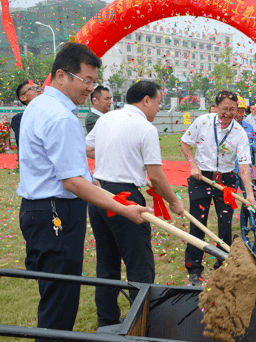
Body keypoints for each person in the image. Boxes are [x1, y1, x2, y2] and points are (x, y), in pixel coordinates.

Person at [17, 42, 151, 340]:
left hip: (38, 210)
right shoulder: (61, 116)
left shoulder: (39, 103)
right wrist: (121, 207)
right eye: (86, 80)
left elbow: (60, 166)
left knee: (53, 293)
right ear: (62, 75)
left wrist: (94, 182)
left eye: (93, 81)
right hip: (56, 213)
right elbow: (71, 182)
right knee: (60, 304)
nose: (91, 88)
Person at [86, 81, 184, 328]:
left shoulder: (107, 118)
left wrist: (115, 154)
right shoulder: (145, 127)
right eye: (159, 102)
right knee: (140, 265)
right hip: (125, 198)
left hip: (98, 195)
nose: (158, 108)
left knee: (107, 262)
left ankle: (106, 321)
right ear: (147, 100)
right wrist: (174, 201)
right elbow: (156, 176)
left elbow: (88, 148)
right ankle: (142, 323)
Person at [180, 90, 256, 286]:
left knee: (225, 223)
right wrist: (193, 165)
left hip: (226, 181)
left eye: (233, 109)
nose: (228, 113)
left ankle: (223, 264)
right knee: (198, 223)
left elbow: (245, 165)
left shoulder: (239, 132)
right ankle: (194, 269)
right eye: (224, 109)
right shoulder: (203, 121)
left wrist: (249, 194)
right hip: (201, 177)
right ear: (216, 107)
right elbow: (185, 142)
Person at [233, 98, 256, 192]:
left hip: (247, 167)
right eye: (237, 111)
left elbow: (254, 142)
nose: (239, 113)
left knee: (249, 195)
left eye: (242, 111)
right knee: (230, 196)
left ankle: (247, 207)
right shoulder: (226, 127)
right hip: (231, 169)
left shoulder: (248, 127)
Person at [12, 81, 43, 154]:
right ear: (23, 97)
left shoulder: (53, 114)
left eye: (39, 88)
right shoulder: (19, 119)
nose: (39, 90)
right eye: (33, 88)